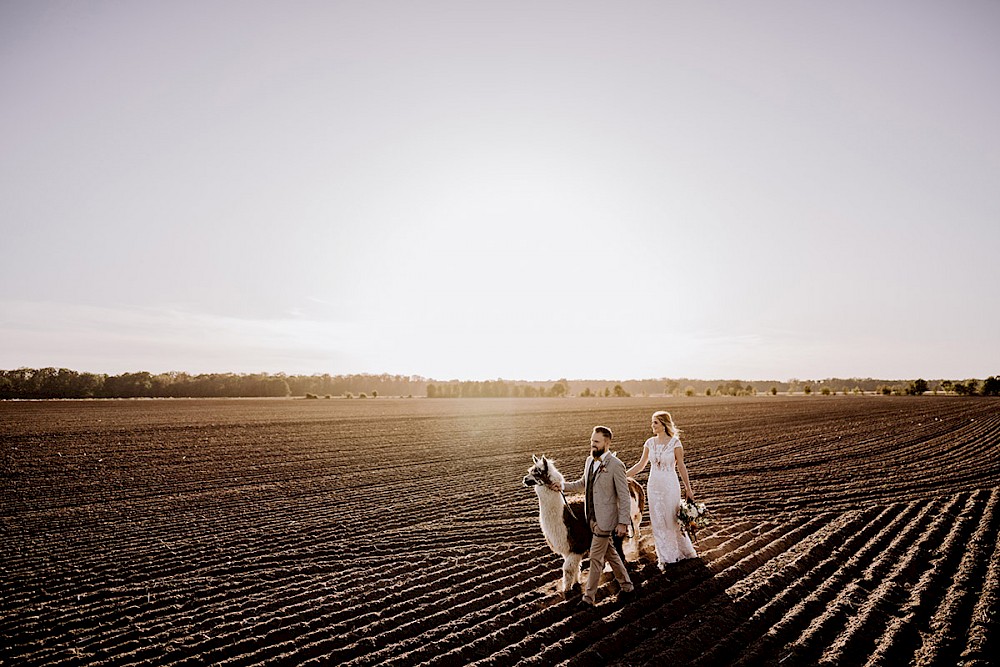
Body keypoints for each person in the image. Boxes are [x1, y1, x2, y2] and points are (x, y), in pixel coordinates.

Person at [554, 426, 635, 608]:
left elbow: (623, 496)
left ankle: (588, 598)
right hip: (590, 519)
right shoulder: (590, 461)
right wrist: (562, 486)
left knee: (596, 559)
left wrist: (623, 522)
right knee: (612, 555)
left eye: (596, 442)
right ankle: (628, 587)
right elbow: (583, 484)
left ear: (607, 442)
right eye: (592, 441)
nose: (593, 444)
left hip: (606, 521)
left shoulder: (616, 465)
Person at [627, 411, 698, 570]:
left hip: (670, 485)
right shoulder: (649, 443)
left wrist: (688, 488)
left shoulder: (675, 443)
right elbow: (640, 465)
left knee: (671, 519)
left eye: (655, 423)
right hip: (654, 486)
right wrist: (622, 475)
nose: (652, 426)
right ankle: (666, 557)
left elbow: (681, 466)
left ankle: (681, 551)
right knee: (658, 521)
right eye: (652, 422)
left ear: (664, 424)